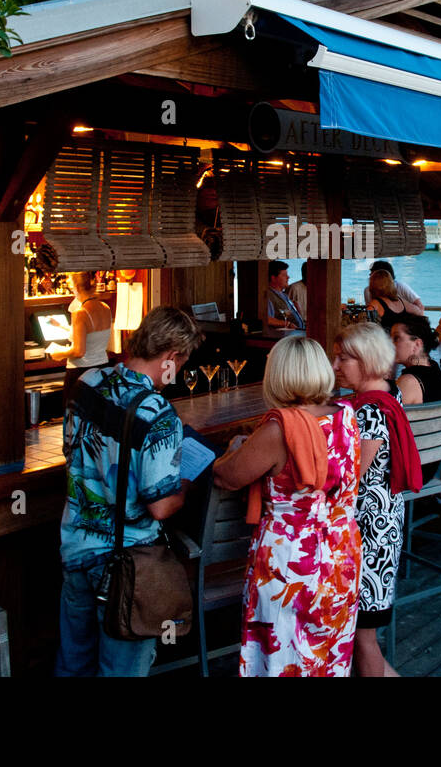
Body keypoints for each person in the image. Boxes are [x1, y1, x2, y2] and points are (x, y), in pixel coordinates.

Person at [55, 306, 202, 677]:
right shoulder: (157, 414)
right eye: (180, 364)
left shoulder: (86, 383)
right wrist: (185, 479)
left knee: (73, 666)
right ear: (171, 357)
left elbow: (71, 452)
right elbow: (161, 506)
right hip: (125, 567)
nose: (178, 373)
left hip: (75, 549)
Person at [213, 335, 362, 676]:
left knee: (282, 658)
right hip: (341, 553)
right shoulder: (346, 415)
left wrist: (230, 453)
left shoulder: (281, 429)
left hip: (291, 562)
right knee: (328, 655)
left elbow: (228, 477)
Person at [332, 322, 420, 677]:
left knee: (361, 635)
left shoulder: (367, 413)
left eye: (344, 358)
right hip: (384, 528)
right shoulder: (388, 394)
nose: (335, 365)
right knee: (361, 632)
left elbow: (348, 476)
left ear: (367, 361)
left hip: (369, 538)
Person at [46, 271, 114, 398]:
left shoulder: (80, 313)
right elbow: (91, 333)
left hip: (81, 372)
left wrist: (58, 354)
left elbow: (78, 352)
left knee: (75, 413)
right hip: (102, 369)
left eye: (72, 287)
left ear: (77, 287)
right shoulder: (105, 308)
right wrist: (60, 326)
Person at [390, 315, 441, 406]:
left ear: (417, 344)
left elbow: (384, 419)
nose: (390, 344)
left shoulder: (407, 383)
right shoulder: (437, 372)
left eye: (396, 338)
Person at [262, 260, 305, 331]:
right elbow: (267, 319)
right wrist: (287, 324)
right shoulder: (268, 296)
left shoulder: (284, 295)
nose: (288, 277)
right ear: (273, 278)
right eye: (284, 275)